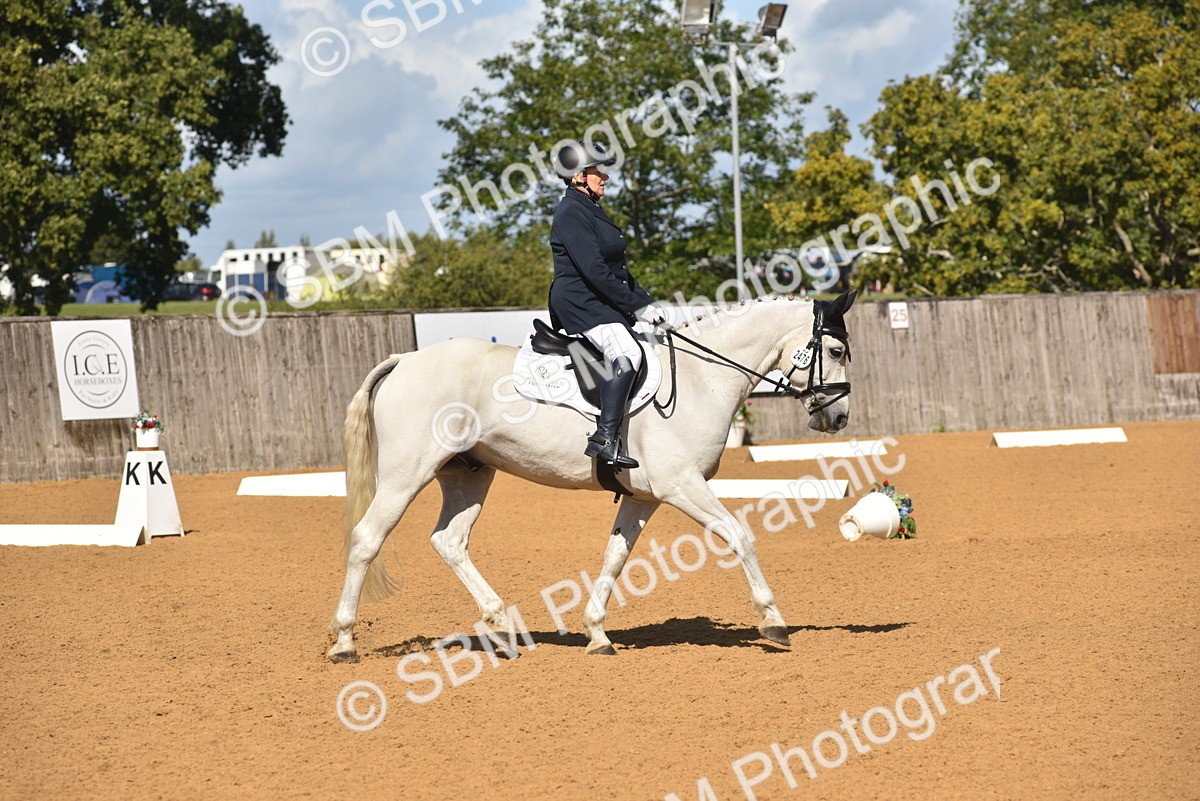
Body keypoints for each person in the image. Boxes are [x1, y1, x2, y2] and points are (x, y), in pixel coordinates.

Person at [548, 140, 668, 470]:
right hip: (581, 301)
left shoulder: (591, 208)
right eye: (599, 171)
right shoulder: (571, 212)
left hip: (597, 298)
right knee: (627, 353)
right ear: (578, 176)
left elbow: (618, 271)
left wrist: (647, 303)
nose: (606, 177)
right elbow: (595, 272)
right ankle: (603, 438)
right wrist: (636, 307)